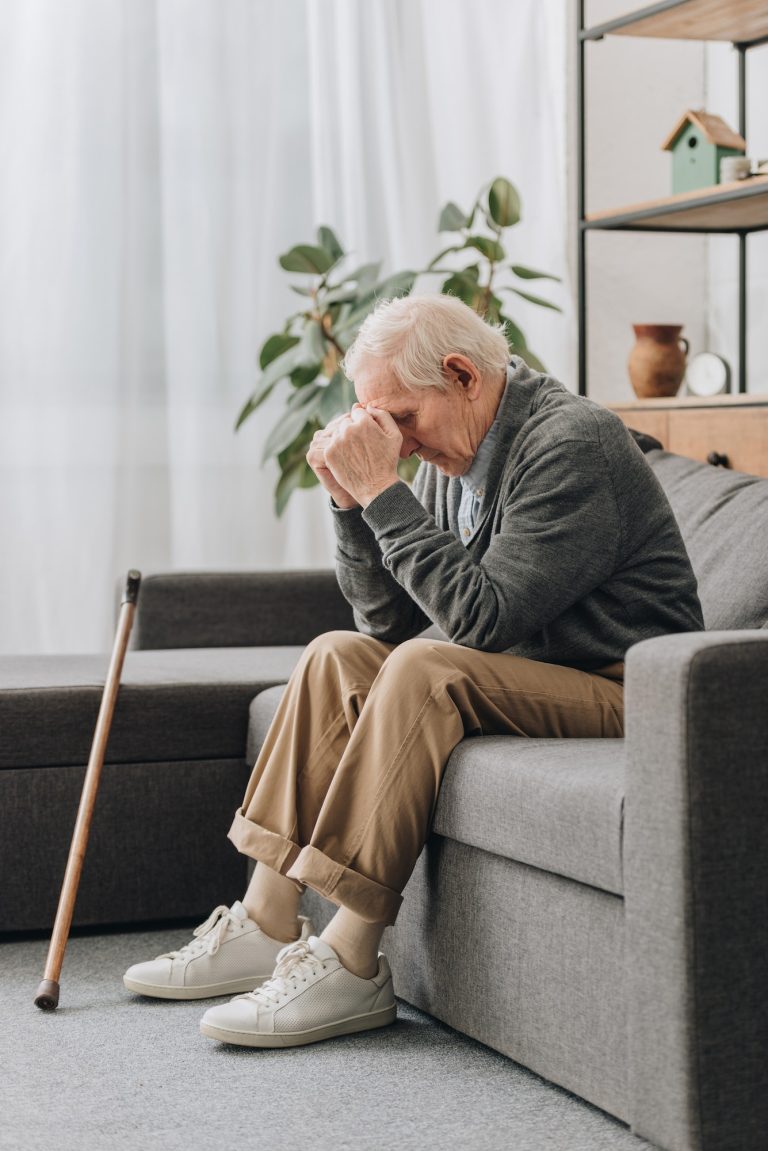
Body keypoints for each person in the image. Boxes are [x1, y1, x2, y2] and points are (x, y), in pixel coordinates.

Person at [123, 294, 704, 1048]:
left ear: (462, 375)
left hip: (632, 690)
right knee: (337, 655)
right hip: (528, 673)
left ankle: (351, 959)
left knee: (428, 670)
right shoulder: (451, 451)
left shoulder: (572, 443)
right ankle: (266, 918)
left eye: (399, 418)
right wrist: (347, 506)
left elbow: (478, 622)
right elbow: (387, 625)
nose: (394, 441)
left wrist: (381, 493)